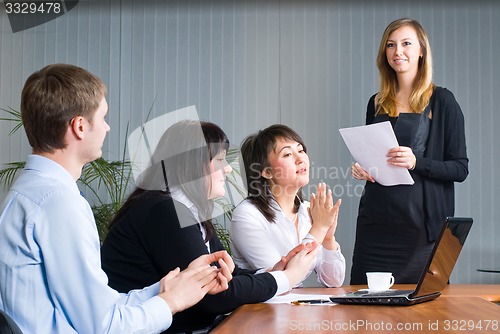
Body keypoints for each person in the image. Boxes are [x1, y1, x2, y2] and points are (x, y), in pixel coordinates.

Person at [0, 64, 232, 334]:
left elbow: (101, 308)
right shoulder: (59, 203)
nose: (107, 128)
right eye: (103, 118)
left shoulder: (27, 193)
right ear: (80, 126)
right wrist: (171, 302)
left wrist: (168, 288)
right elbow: (104, 327)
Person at [100, 120, 319, 333]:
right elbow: (213, 296)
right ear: (194, 164)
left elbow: (227, 272)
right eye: (220, 160)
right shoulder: (165, 211)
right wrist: (287, 277)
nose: (227, 170)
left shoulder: (183, 208)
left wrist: (272, 271)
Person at [350, 18, 469, 284]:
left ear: (421, 51)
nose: (397, 51)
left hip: (420, 230)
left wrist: (417, 163)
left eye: (406, 43)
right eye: (390, 45)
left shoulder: (442, 100)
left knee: (422, 316)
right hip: (376, 221)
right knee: (365, 308)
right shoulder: (376, 102)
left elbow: (460, 168)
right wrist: (362, 167)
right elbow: (374, 154)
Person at [230, 124, 345, 287]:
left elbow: (334, 281)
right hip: (259, 310)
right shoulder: (247, 214)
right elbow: (280, 279)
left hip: (297, 308)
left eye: (301, 150)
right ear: (266, 172)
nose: (300, 159)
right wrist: (318, 229)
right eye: (288, 154)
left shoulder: (307, 210)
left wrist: (328, 238)